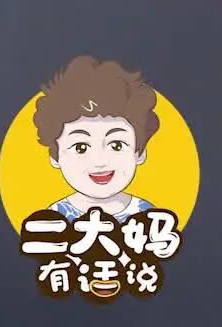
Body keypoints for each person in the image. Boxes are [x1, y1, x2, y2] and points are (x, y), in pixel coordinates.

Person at [32, 56, 160, 223]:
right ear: (55, 157)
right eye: (80, 147)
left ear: (140, 152)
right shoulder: (54, 219)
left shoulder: (149, 216)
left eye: (116, 145)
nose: (99, 162)